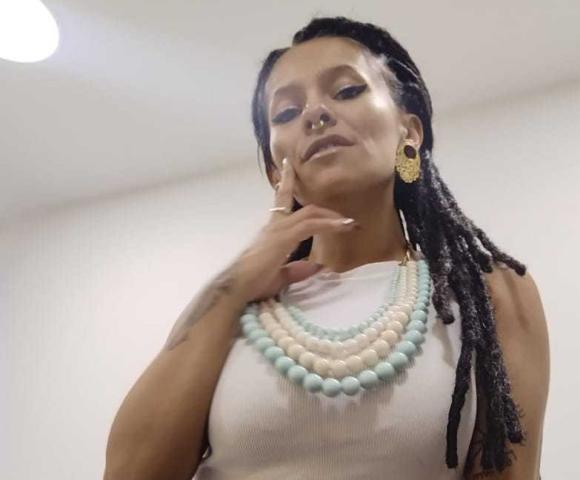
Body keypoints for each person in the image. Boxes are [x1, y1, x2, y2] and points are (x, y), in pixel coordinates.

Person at [103, 16, 549, 480]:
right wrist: (235, 284)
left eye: (347, 90)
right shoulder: (232, 305)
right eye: (286, 113)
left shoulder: (490, 293)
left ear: (409, 132)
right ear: (275, 171)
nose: (315, 113)